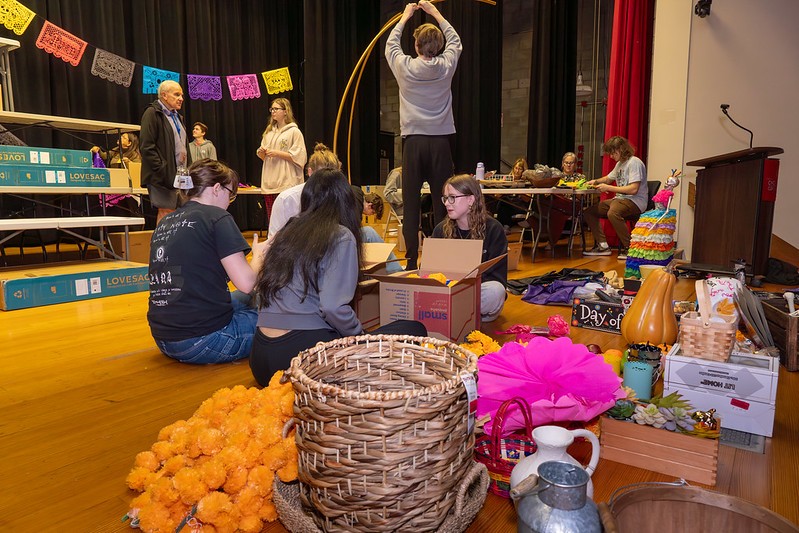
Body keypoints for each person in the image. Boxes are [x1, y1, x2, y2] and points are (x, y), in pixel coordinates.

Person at [250, 168, 426, 385]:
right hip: (299, 357)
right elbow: (332, 307)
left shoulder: (287, 230)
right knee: (413, 329)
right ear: (346, 201)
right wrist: (359, 335)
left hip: (260, 356)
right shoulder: (340, 235)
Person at [147, 159, 267, 364]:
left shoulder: (166, 221)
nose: (229, 201)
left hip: (164, 338)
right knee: (283, 319)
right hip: (204, 340)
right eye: (231, 194)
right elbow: (248, 283)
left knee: (244, 299)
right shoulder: (217, 217)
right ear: (218, 188)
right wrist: (259, 255)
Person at [385, 0, 462, 271]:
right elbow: (456, 41)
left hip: (414, 142)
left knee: (412, 205)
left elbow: (390, 44)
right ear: (439, 47)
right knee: (444, 203)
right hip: (441, 141)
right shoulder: (446, 65)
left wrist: (406, 16)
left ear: (416, 46)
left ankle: (409, 263)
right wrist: (434, 12)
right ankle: (441, 260)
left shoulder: (404, 66)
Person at [432, 174, 508, 322]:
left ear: (471, 199)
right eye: (445, 198)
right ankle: (460, 315)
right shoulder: (440, 230)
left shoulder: (493, 229)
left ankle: (453, 314)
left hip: (476, 292)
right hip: (447, 292)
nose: (447, 203)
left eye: (452, 197)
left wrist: (465, 289)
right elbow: (429, 272)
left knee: (495, 291)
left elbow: (496, 277)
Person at [582, 136, 648, 259]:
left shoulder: (634, 162)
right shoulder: (619, 164)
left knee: (613, 213)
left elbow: (633, 189)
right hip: (620, 200)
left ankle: (630, 249)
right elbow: (608, 178)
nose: (611, 156)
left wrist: (609, 188)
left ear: (620, 149)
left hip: (635, 201)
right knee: (589, 212)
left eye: (612, 153)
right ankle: (603, 246)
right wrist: (595, 182)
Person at [140, 80, 190, 224]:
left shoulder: (178, 117)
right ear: (164, 95)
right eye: (177, 94)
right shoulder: (152, 113)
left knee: (180, 212)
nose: (181, 98)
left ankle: (175, 245)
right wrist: (163, 169)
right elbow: (146, 146)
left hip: (181, 175)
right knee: (166, 210)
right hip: (162, 176)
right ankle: (161, 246)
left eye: (182, 95)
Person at [256, 97, 307, 219]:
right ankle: (274, 238)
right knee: (273, 217)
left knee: (287, 217)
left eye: (276, 109)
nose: (273, 111)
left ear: (285, 111)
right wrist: (262, 152)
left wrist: (277, 153)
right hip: (270, 181)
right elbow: (264, 157)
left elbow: (300, 156)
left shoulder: (294, 132)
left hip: (286, 181)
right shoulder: (269, 132)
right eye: (272, 109)